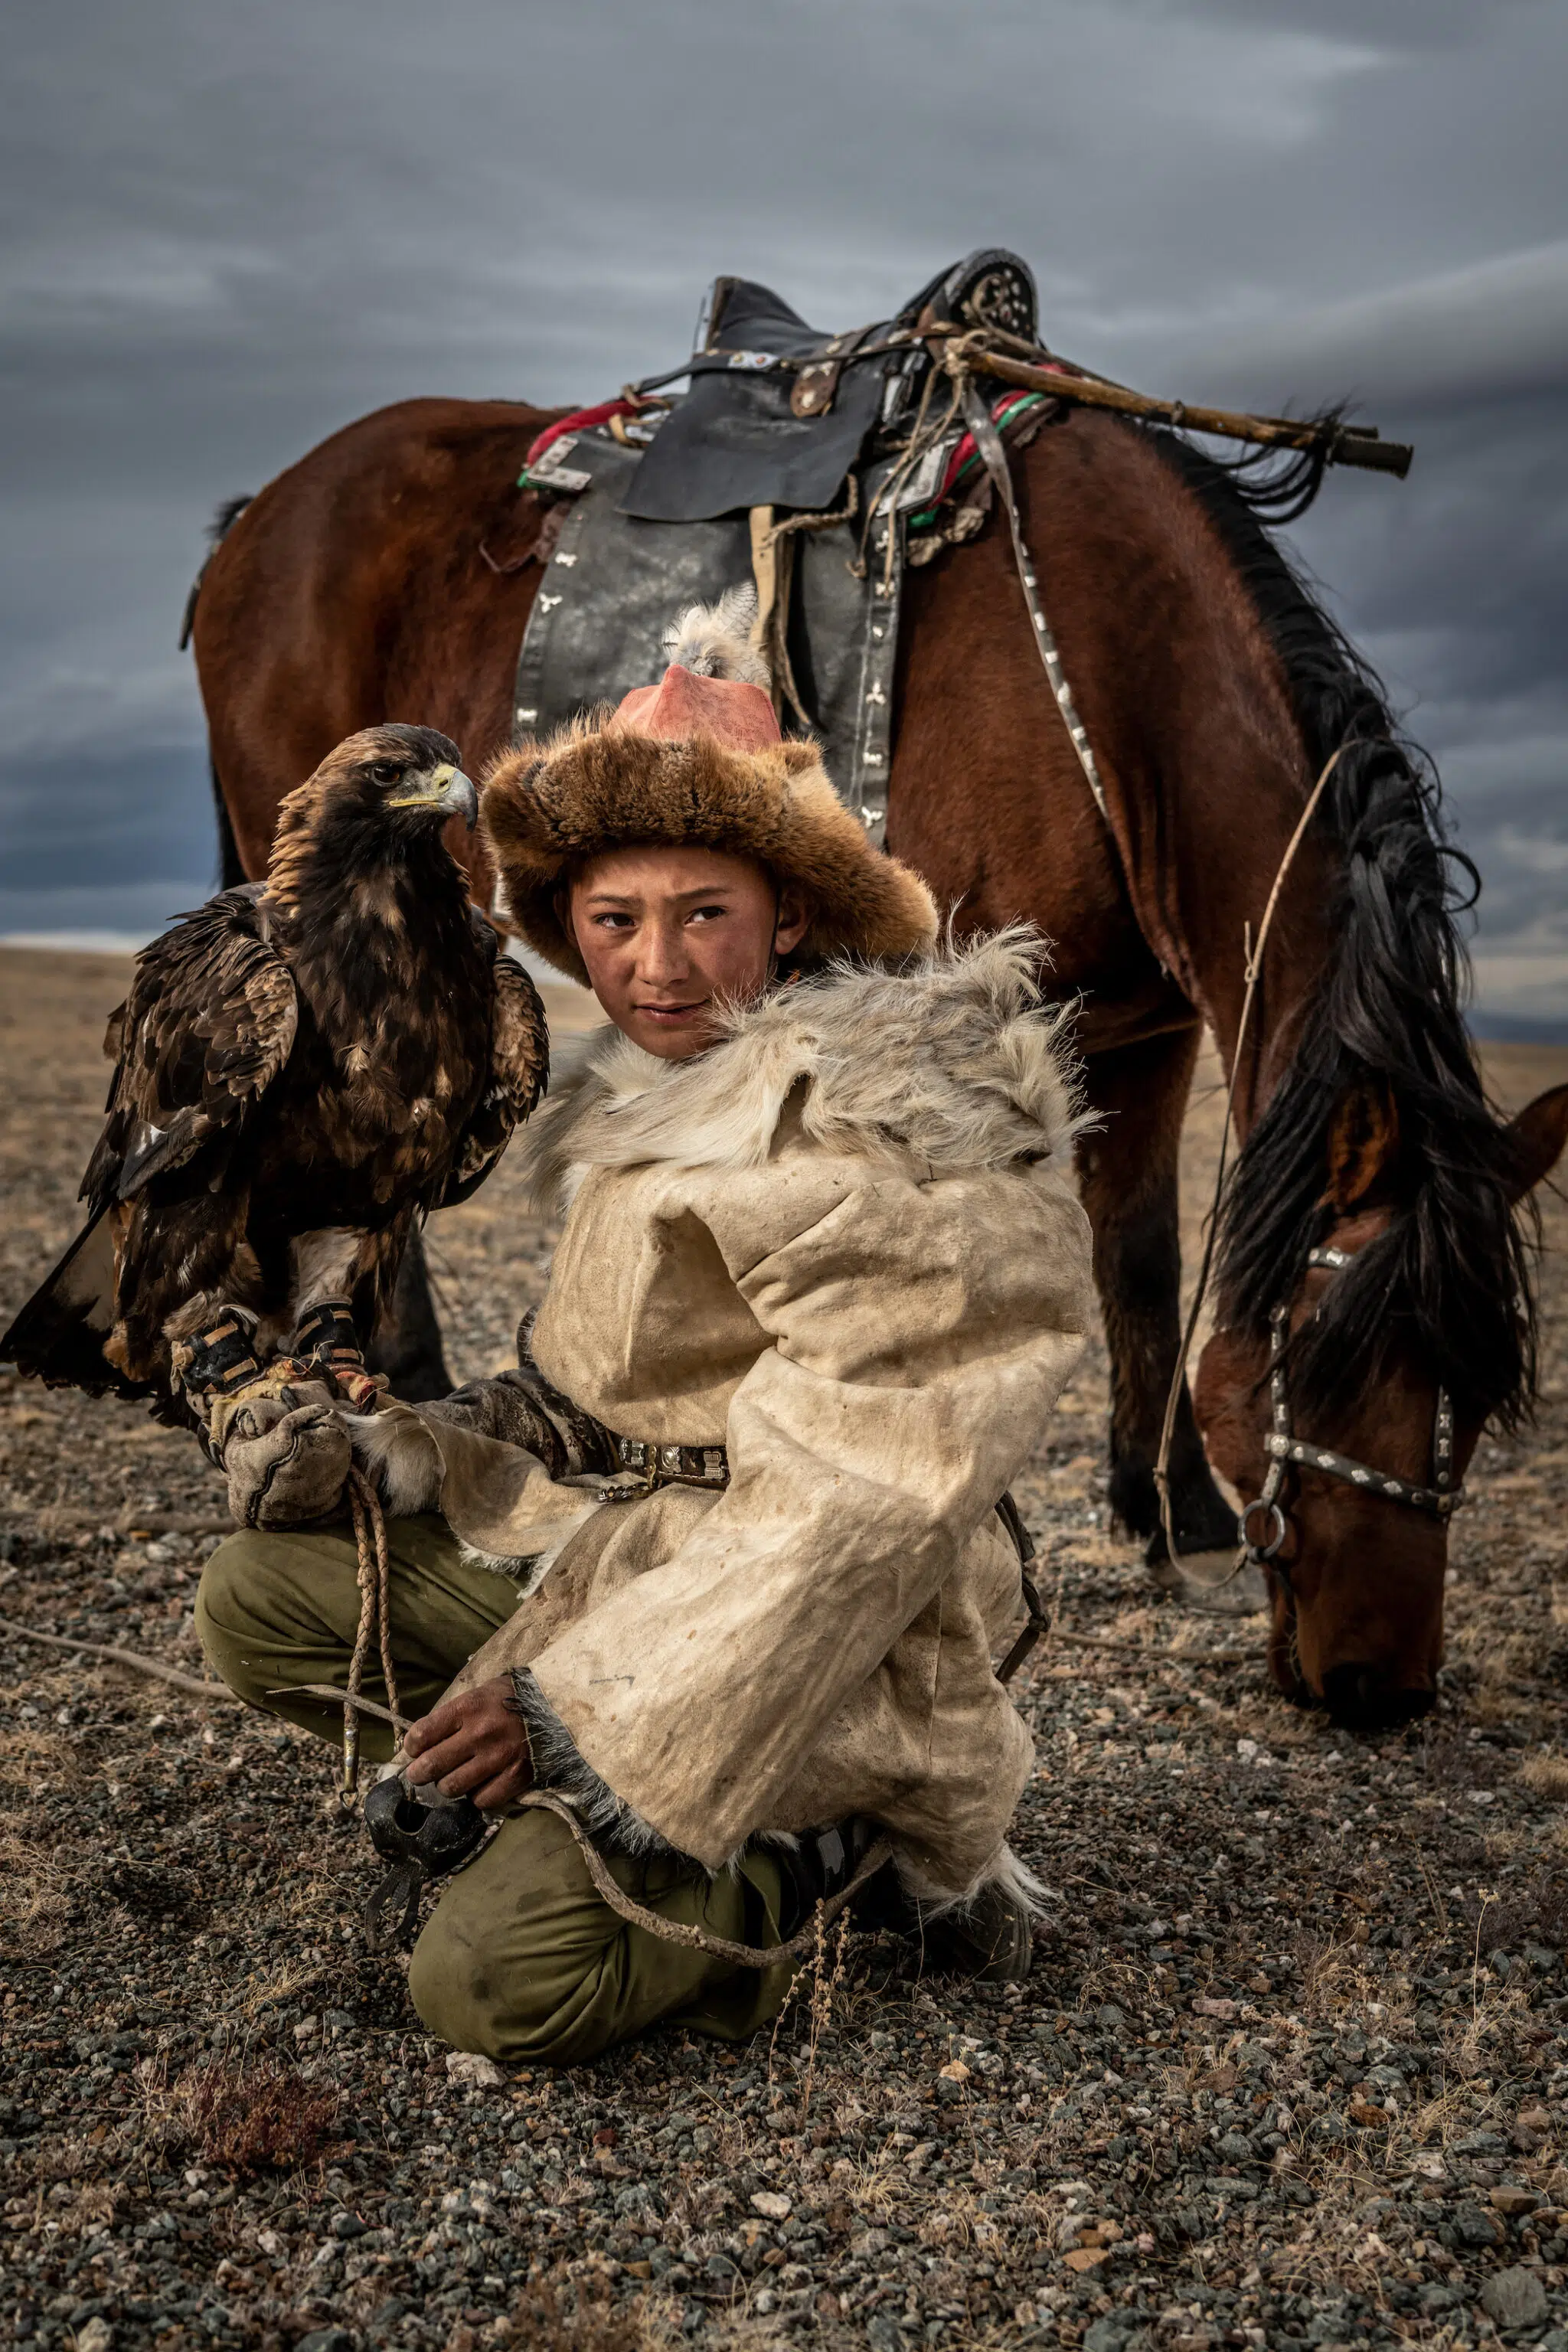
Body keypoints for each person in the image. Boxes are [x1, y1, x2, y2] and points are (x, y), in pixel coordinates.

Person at [195, 595, 1095, 2066]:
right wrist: (401, 1442)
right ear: (571, 930)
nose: (657, 967)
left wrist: (567, 1717)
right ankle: (564, 1815)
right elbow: (586, 1397)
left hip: (837, 1635)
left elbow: (861, 1505)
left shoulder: (886, 1126)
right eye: (614, 922)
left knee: (487, 1989)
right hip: (632, 1554)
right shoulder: (652, 1092)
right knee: (260, 1593)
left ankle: (827, 1860)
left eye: (704, 917)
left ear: (790, 915)